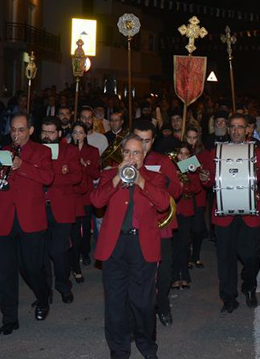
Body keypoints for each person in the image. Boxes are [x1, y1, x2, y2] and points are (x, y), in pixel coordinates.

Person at [92, 134, 171, 359]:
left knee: (143, 302)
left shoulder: (154, 177)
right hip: (114, 245)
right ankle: (119, 350)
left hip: (141, 245)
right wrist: (117, 178)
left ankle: (147, 347)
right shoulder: (109, 174)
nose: (131, 157)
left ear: (144, 154)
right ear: (122, 154)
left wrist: (141, 181)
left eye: (136, 152)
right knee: (115, 303)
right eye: (127, 152)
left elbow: (163, 204)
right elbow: (96, 201)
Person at [0, 112, 54, 335]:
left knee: (32, 267)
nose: (16, 134)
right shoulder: (2, 150)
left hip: (30, 220)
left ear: (30, 131)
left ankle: (43, 298)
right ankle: (9, 318)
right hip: (3, 219)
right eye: (13, 130)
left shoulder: (42, 151)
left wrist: (21, 165)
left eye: (21, 130)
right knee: (5, 272)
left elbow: (48, 178)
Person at [199, 114, 260, 314]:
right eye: (232, 127)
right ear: (227, 129)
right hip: (223, 214)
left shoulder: (258, 152)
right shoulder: (216, 151)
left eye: (240, 127)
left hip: (250, 214)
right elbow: (209, 180)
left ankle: (249, 286)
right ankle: (228, 298)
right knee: (225, 258)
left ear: (247, 130)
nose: (236, 131)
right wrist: (204, 177)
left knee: (251, 256)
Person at [132, 119, 182, 327]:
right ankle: (137, 313)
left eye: (147, 141)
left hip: (160, 225)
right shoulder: (123, 161)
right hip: (133, 225)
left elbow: (177, 192)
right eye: (139, 139)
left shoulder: (163, 161)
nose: (143, 145)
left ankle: (162, 304)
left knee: (163, 272)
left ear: (153, 141)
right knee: (136, 272)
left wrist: (166, 181)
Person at [39, 117, 82, 305]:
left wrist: (51, 176)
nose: (47, 135)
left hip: (62, 209)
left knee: (58, 251)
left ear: (59, 133)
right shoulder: (35, 150)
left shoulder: (69, 151)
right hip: (38, 208)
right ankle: (44, 291)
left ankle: (63, 285)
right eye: (44, 131)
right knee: (41, 253)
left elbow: (77, 176)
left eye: (51, 132)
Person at [69, 121, 100, 282]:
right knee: (73, 228)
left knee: (86, 227)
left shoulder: (92, 151)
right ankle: (73, 258)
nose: (78, 135)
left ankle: (85, 252)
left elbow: (96, 174)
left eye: (81, 132)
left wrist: (84, 165)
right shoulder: (67, 149)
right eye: (75, 132)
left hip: (87, 193)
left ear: (85, 134)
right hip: (72, 193)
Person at [171, 142, 203, 289]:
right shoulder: (170, 167)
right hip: (172, 210)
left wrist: (184, 185)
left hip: (186, 210)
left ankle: (184, 274)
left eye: (186, 154)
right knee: (173, 244)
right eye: (180, 154)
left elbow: (197, 188)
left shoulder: (192, 168)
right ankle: (174, 275)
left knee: (183, 244)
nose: (183, 157)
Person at [184, 126, 208, 269]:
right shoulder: (181, 151)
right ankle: (186, 257)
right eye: (189, 138)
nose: (191, 141)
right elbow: (179, 167)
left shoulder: (203, 153)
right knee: (186, 230)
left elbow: (201, 169)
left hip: (199, 195)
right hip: (185, 195)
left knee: (198, 229)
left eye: (194, 138)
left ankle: (196, 255)